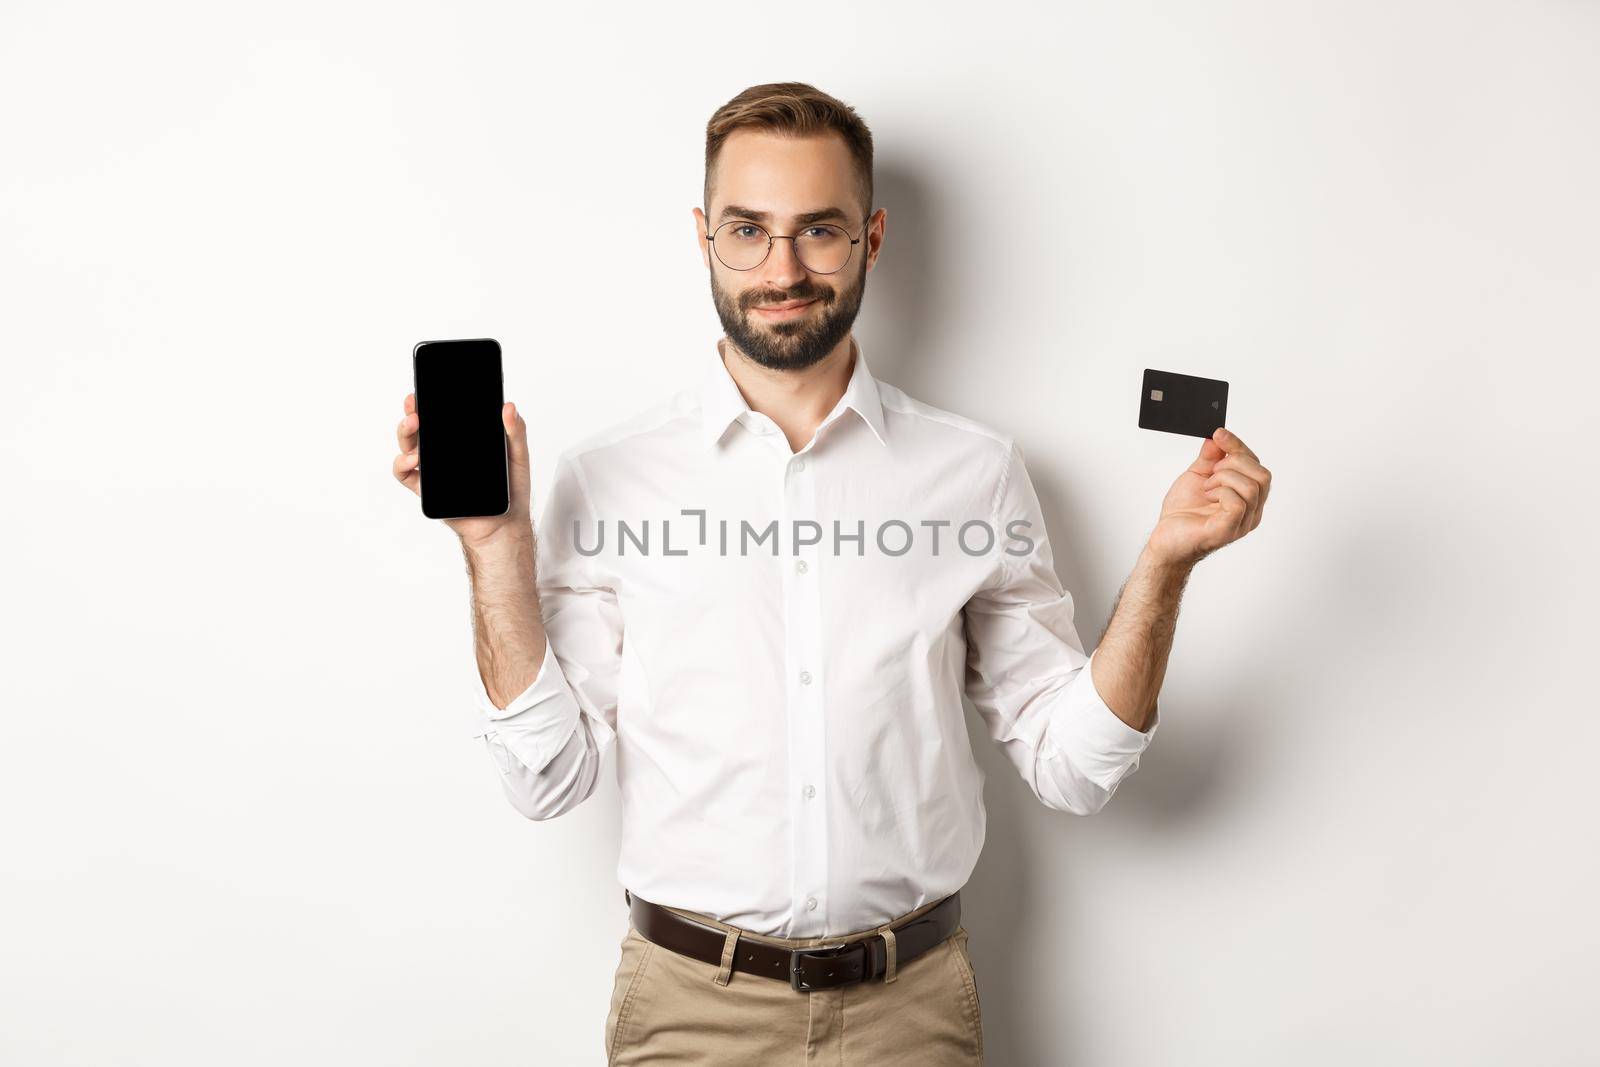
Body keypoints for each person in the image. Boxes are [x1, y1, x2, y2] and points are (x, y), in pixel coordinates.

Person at [390, 81, 1272, 1066]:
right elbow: (550, 778)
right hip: (689, 1015)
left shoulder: (973, 472)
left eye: (819, 229)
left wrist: (1164, 566)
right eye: (747, 230)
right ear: (702, 235)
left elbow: (1073, 767)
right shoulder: (611, 476)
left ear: (872, 237)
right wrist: (495, 548)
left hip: (913, 1012)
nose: (782, 267)